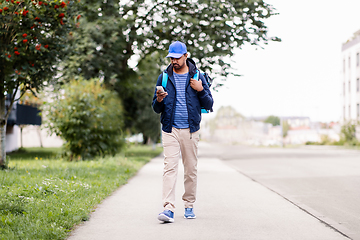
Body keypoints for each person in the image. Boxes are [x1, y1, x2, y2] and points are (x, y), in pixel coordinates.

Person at [152, 41, 214, 223]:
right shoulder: (163, 77)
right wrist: (159, 100)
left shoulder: (198, 76)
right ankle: (168, 208)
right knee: (169, 168)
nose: (174, 61)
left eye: (177, 57)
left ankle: (189, 205)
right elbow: (156, 108)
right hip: (170, 129)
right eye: (171, 58)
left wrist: (201, 89)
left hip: (190, 130)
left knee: (190, 170)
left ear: (186, 56)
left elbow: (209, 104)